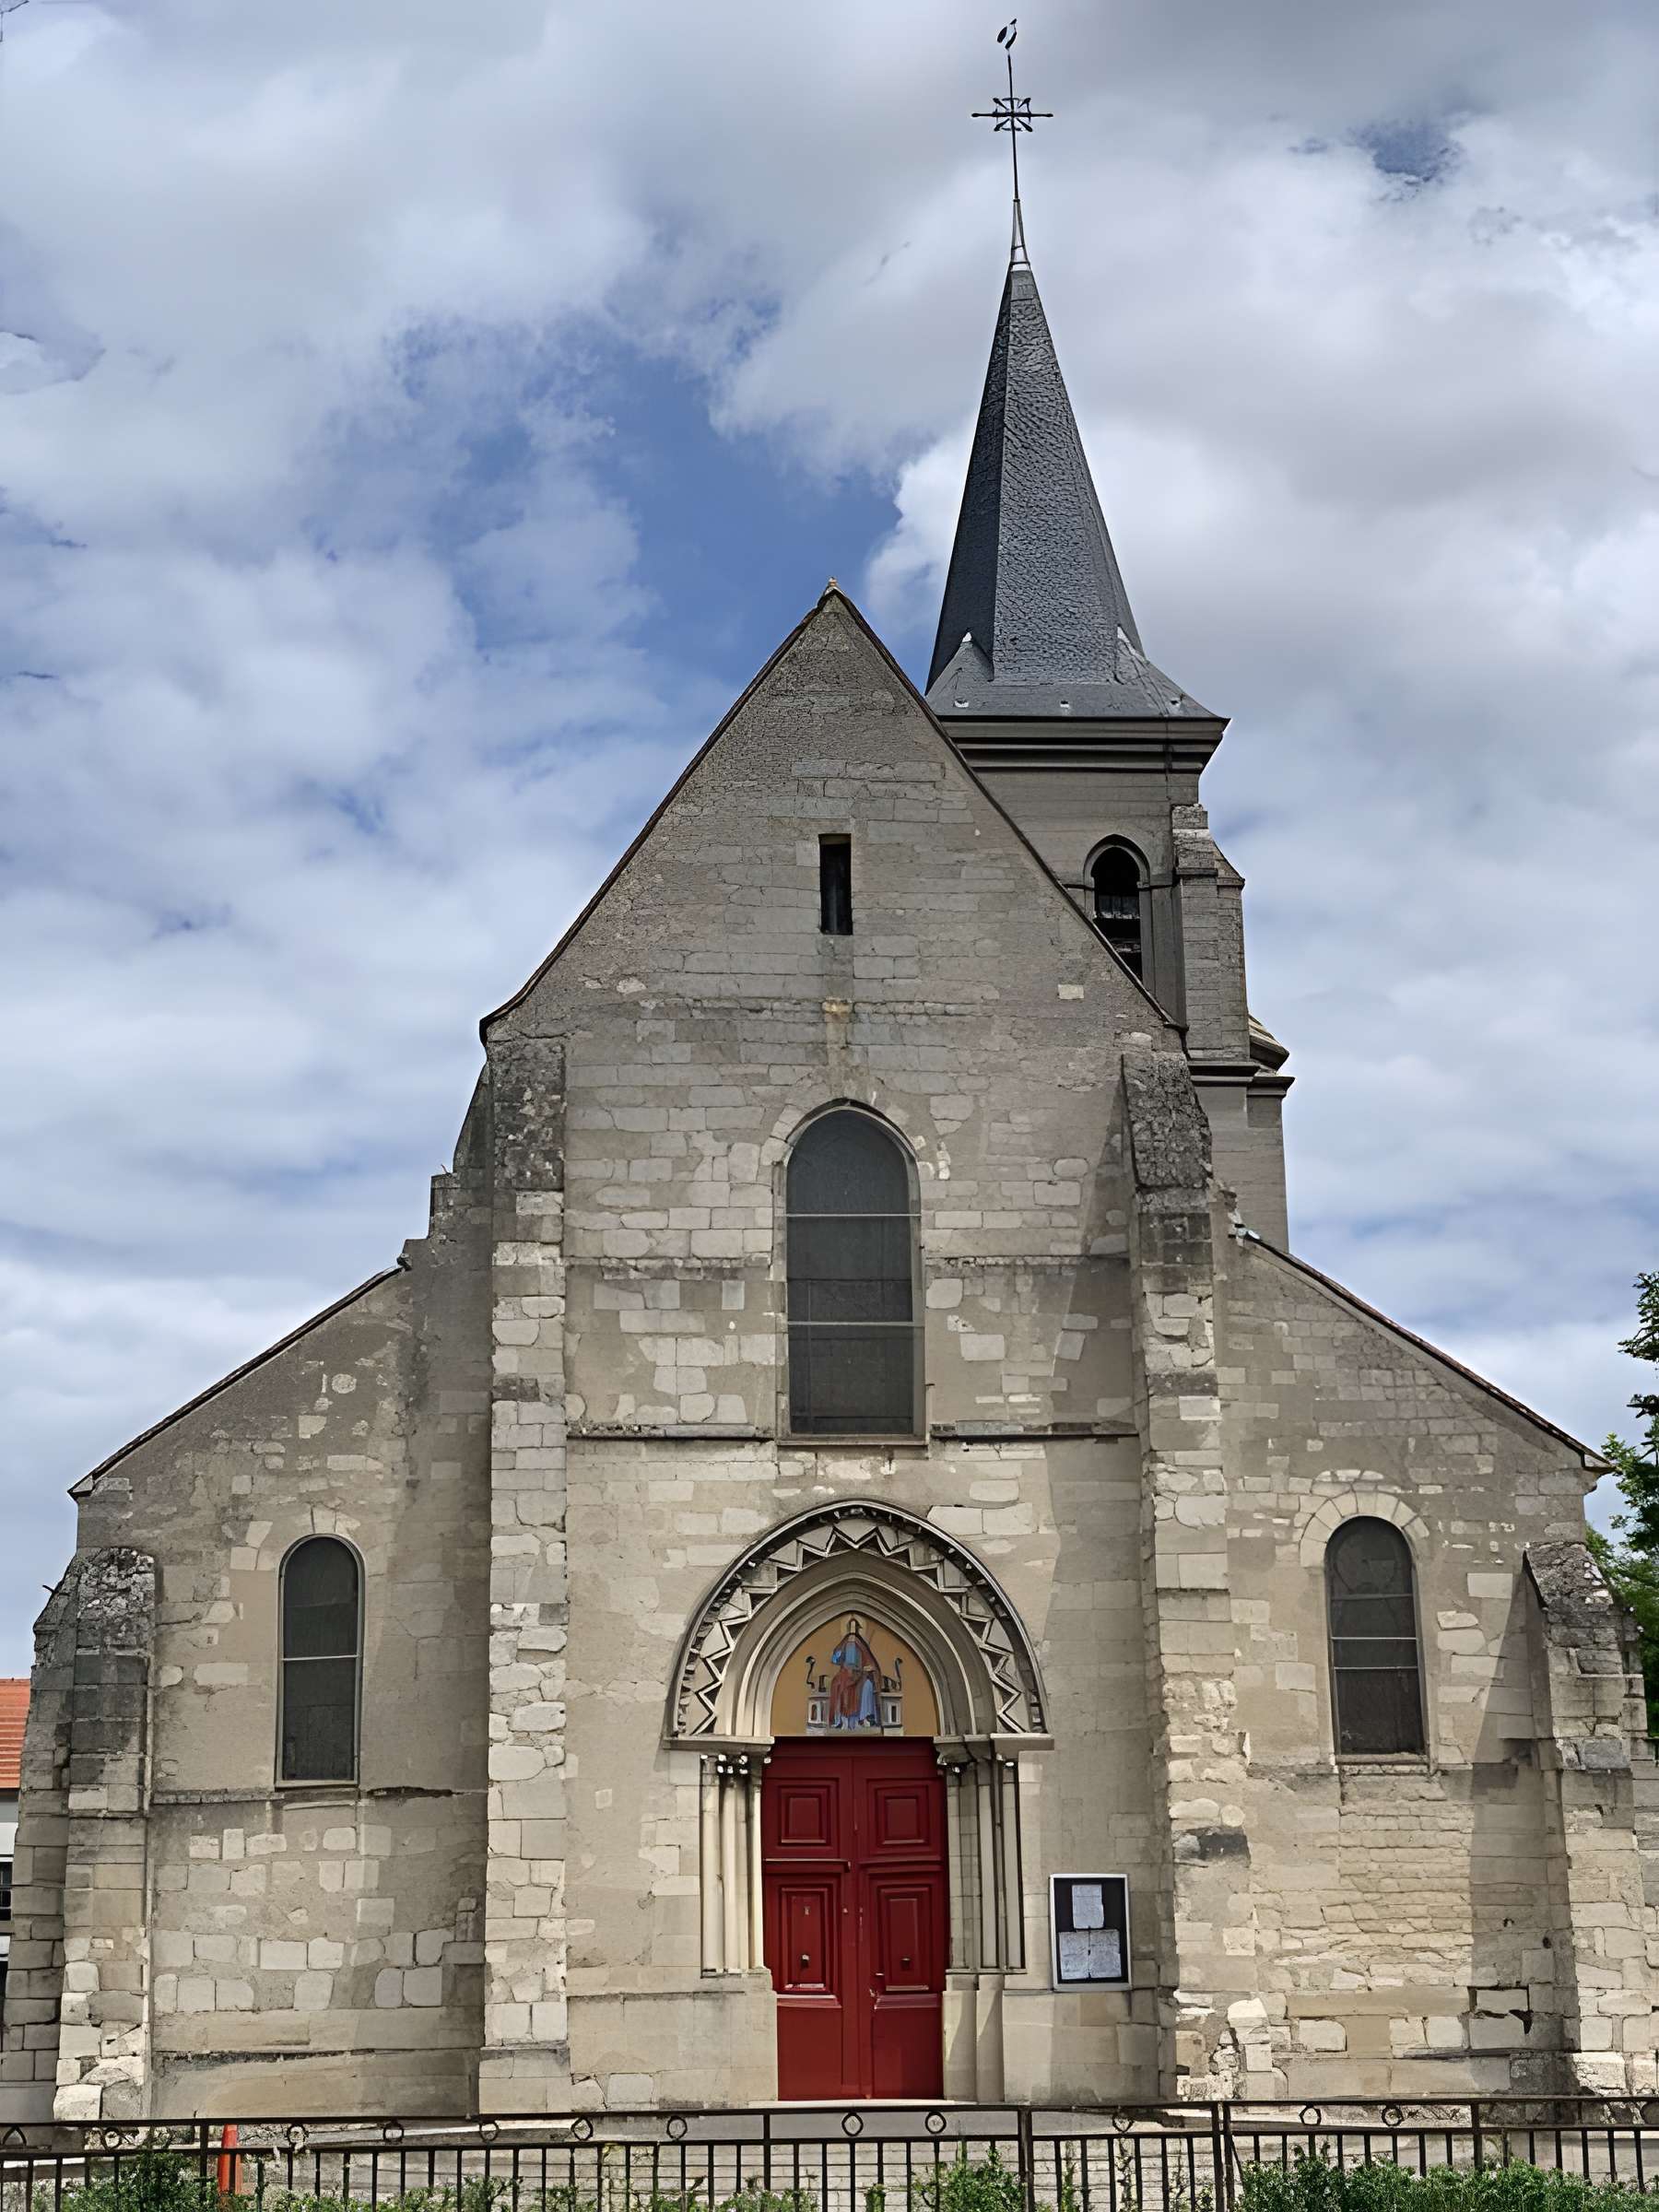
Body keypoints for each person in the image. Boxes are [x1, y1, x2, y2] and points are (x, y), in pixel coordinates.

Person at [827, 1618, 881, 1729]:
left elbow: (869, 1661)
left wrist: (868, 1668)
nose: (852, 1634)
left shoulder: (860, 1644)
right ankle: (839, 1719)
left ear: (857, 1629)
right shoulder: (844, 1643)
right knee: (836, 1683)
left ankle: (860, 1720)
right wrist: (838, 1655)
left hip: (860, 1673)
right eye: (850, 1628)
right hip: (845, 1672)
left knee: (866, 1685)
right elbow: (835, 1658)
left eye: (854, 1628)